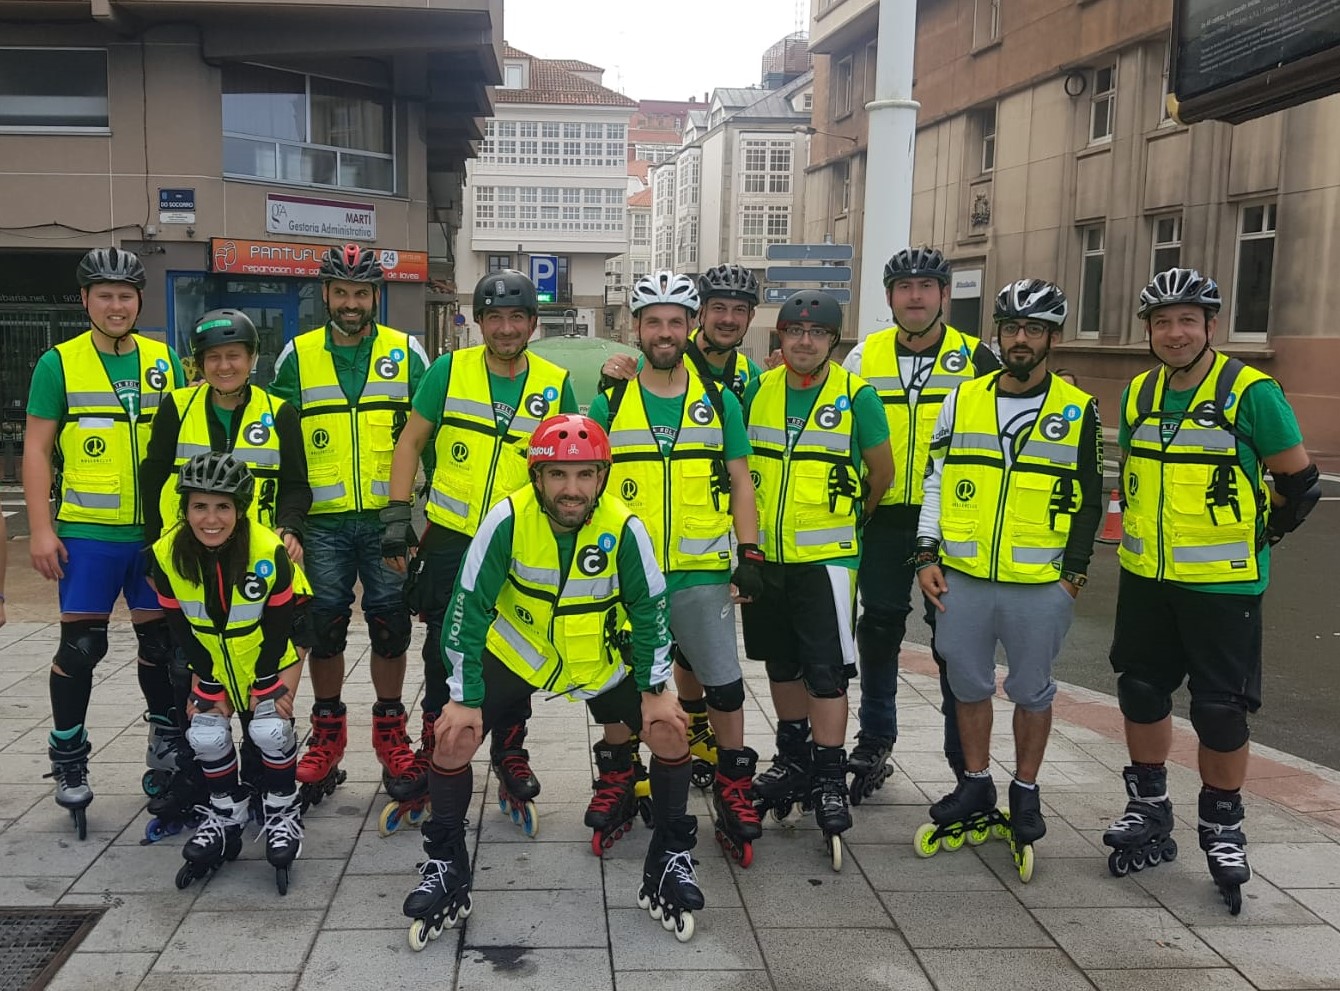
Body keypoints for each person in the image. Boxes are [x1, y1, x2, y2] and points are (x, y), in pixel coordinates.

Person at [402, 415, 704, 947]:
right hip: (520, 655)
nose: (572, 489)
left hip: (598, 660)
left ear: (601, 476)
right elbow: (465, 610)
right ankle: (445, 861)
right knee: (452, 738)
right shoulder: (507, 519)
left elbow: (652, 609)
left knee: (671, 731)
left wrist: (657, 690)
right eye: (559, 475)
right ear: (537, 477)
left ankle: (670, 856)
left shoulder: (626, 527)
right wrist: (464, 699)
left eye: (584, 475)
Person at [1100, 268, 1318, 914]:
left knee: (1220, 708)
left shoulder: (1252, 392)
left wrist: (1262, 532)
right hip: (1147, 578)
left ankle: (1223, 824)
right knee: (1140, 691)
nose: (1174, 332)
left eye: (1187, 320)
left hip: (1224, 585)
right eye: (1162, 322)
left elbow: (1298, 483)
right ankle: (1149, 804)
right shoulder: (1139, 392)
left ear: (1210, 326)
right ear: (1149, 331)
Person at [912, 279, 1102, 880]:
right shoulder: (961, 399)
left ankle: (1025, 789)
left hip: (1040, 582)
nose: (1022, 339)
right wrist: (926, 554)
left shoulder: (1078, 410)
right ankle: (974, 785)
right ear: (998, 332)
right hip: (964, 576)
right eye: (1013, 327)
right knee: (967, 686)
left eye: (1035, 329)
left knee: (1031, 690)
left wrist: (1071, 577)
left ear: (1052, 337)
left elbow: (1091, 501)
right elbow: (937, 481)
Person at [380, 269, 577, 833]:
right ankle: (434, 744)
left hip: (521, 541)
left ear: (533, 324)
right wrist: (397, 518)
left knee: (517, 645)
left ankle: (511, 750)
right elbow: (411, 441)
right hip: (452, 537)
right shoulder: (449, 370)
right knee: (445, 648)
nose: (506, 328)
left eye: (517, 318)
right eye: (495, 317)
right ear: (480, 322)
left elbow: (565, 463)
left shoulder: (554, 381)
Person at [588, 270, 764, 866]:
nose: (664, 332)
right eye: (652, 321)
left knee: (722, 682)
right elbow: (588, 482)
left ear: (690, 328)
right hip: (627, 575)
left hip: (702, 572)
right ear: (635, 329)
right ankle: (616, 776)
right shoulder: (609, 399)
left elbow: (741, 480)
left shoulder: (720, 401)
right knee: (617, 681)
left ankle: (736, 786)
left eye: (675, 322)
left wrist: (750, 553)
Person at [23, 247, 187, 839]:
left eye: (125, 295)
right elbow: (38, 449)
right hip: (88, 533)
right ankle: (68, 753)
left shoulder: (165, 359)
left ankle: (165, 743)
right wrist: (41, 528)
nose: (116, 306)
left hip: (154, 534)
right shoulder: (58, 364)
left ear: (140, 301)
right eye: (105, 295)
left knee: (164, 648)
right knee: (83, 648)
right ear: (85, 301)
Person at [138, 307, 312, 840]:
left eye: (233, 355)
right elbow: (152, 475)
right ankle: (203, 779)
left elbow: (298, 484)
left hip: (258, 557)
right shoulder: (177, 406)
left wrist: (290, 527)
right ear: (199, 364)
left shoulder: (278, 410)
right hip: (193, 554)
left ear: (252, 359)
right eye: (213, 358)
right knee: (189, 663)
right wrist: (153, 544)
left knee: (277, 654)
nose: (224, 366)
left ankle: (270, 771)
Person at [268, 243, 431, 807]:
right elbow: (281, 441)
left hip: (387, 518)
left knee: (390, 625)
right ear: (327, 295)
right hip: (323, 523)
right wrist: (282, 521)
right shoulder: (297, 354)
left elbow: (426, 436)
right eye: (342, 292)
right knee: (324, 627)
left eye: (361, 293)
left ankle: (392, 736)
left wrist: (418, 514)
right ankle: (327, 736)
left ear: (374, 297)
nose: (352, 303)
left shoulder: (407, 351)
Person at [842, 246, 1000, 798]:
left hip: (949, 521)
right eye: (904, 287)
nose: (915, 297)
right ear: (889, 297)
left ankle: (962, 754)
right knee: (879, 629)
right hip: (883, 514)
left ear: (943, 295)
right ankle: (875, 738)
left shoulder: (979, 358)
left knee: (951, 639)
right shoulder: (863, 357)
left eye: (926, 287)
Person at [744, 290, 893, 870]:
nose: (805, 341)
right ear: (779, 337)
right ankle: (791, 756)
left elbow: (881, 474)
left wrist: (848, 524)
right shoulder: (758, 390)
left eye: (818, 332)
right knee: (781, 664)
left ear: (834, 341)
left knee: (826, 672)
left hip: (828, 561)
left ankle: (829, 773)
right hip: (768, 560)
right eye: (794, 331)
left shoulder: (857, 398)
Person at [152, 453, 306, 894]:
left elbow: (280, 625)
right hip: (211, 660)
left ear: (240, 509)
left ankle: (282, 811)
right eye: (200, 506)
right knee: (205, 732)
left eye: (223, 507)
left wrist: (266, 682)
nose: (211, 518)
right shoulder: (165, 555)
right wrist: (206, 682)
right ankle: (226, 811)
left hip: (264, 655)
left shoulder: (266, 550)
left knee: (270, 728)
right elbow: (178, 624)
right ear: (185, 510)